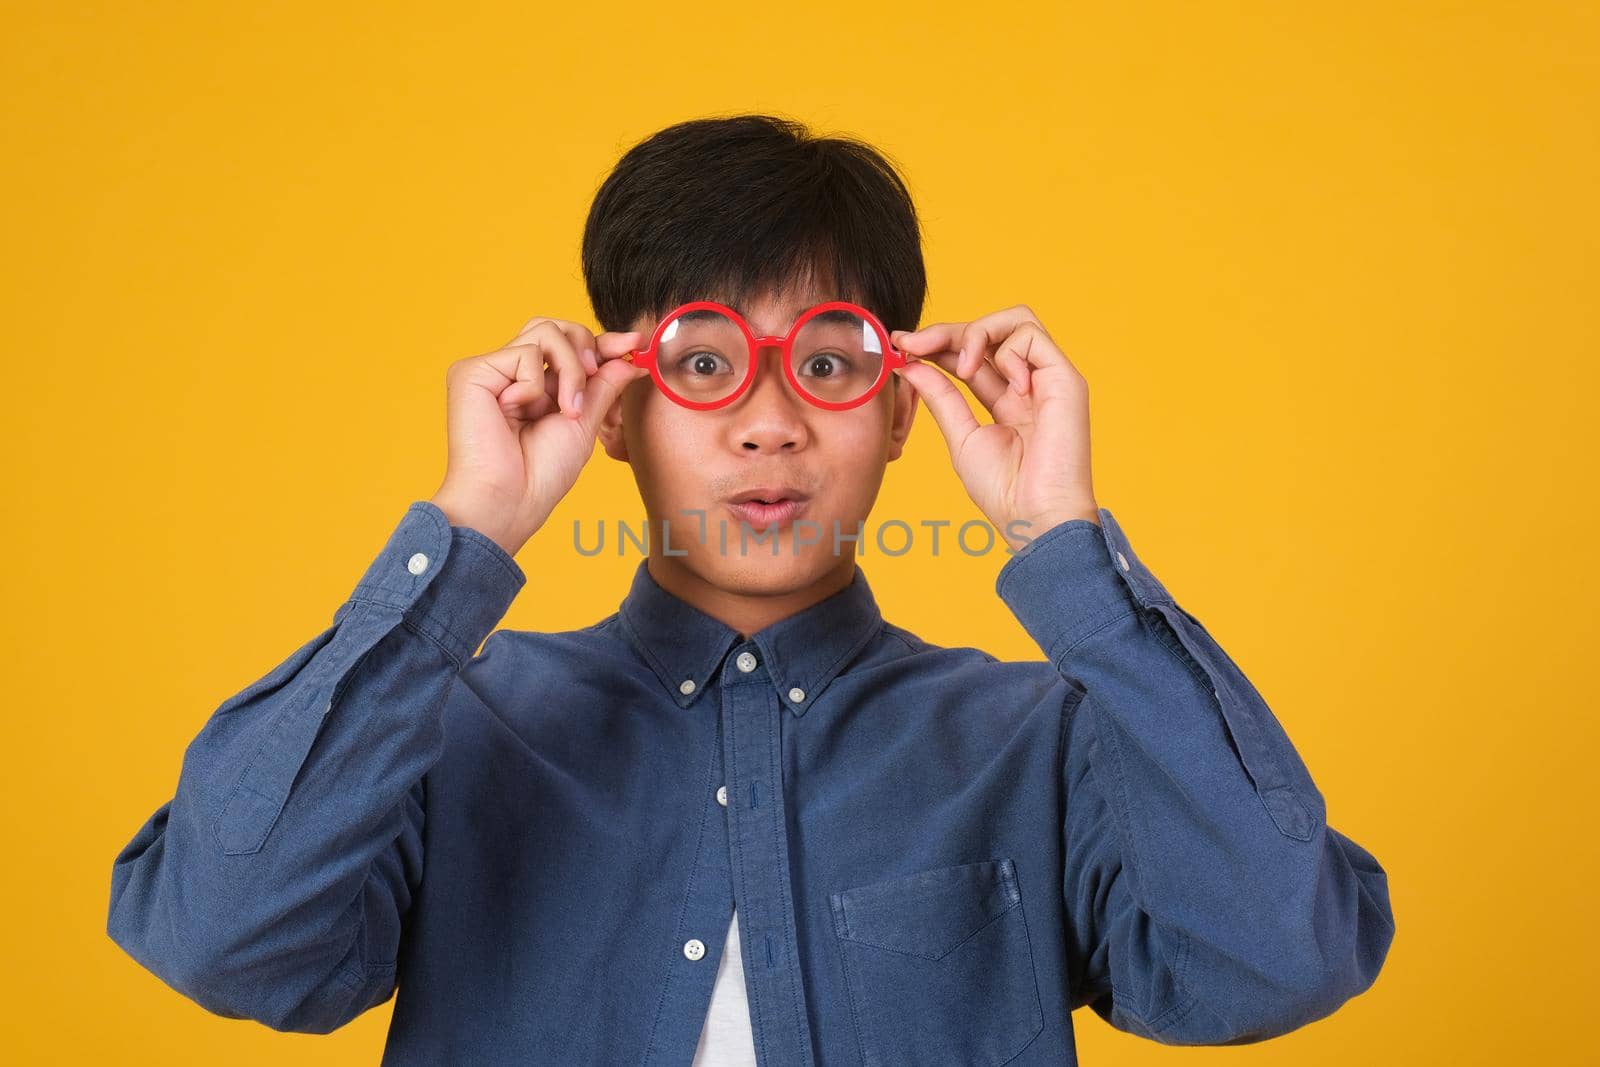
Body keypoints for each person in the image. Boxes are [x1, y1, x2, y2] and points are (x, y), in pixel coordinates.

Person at [106, 113, 1395, 1066]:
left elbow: (1274, 963)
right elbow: (221, 939)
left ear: (900, 411)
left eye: (829, 364)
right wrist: (465, 532)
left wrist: (1065, 541)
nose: (767, 423)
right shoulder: (450, 726)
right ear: (613, 407)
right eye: (703, 361)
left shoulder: (1037, 742)